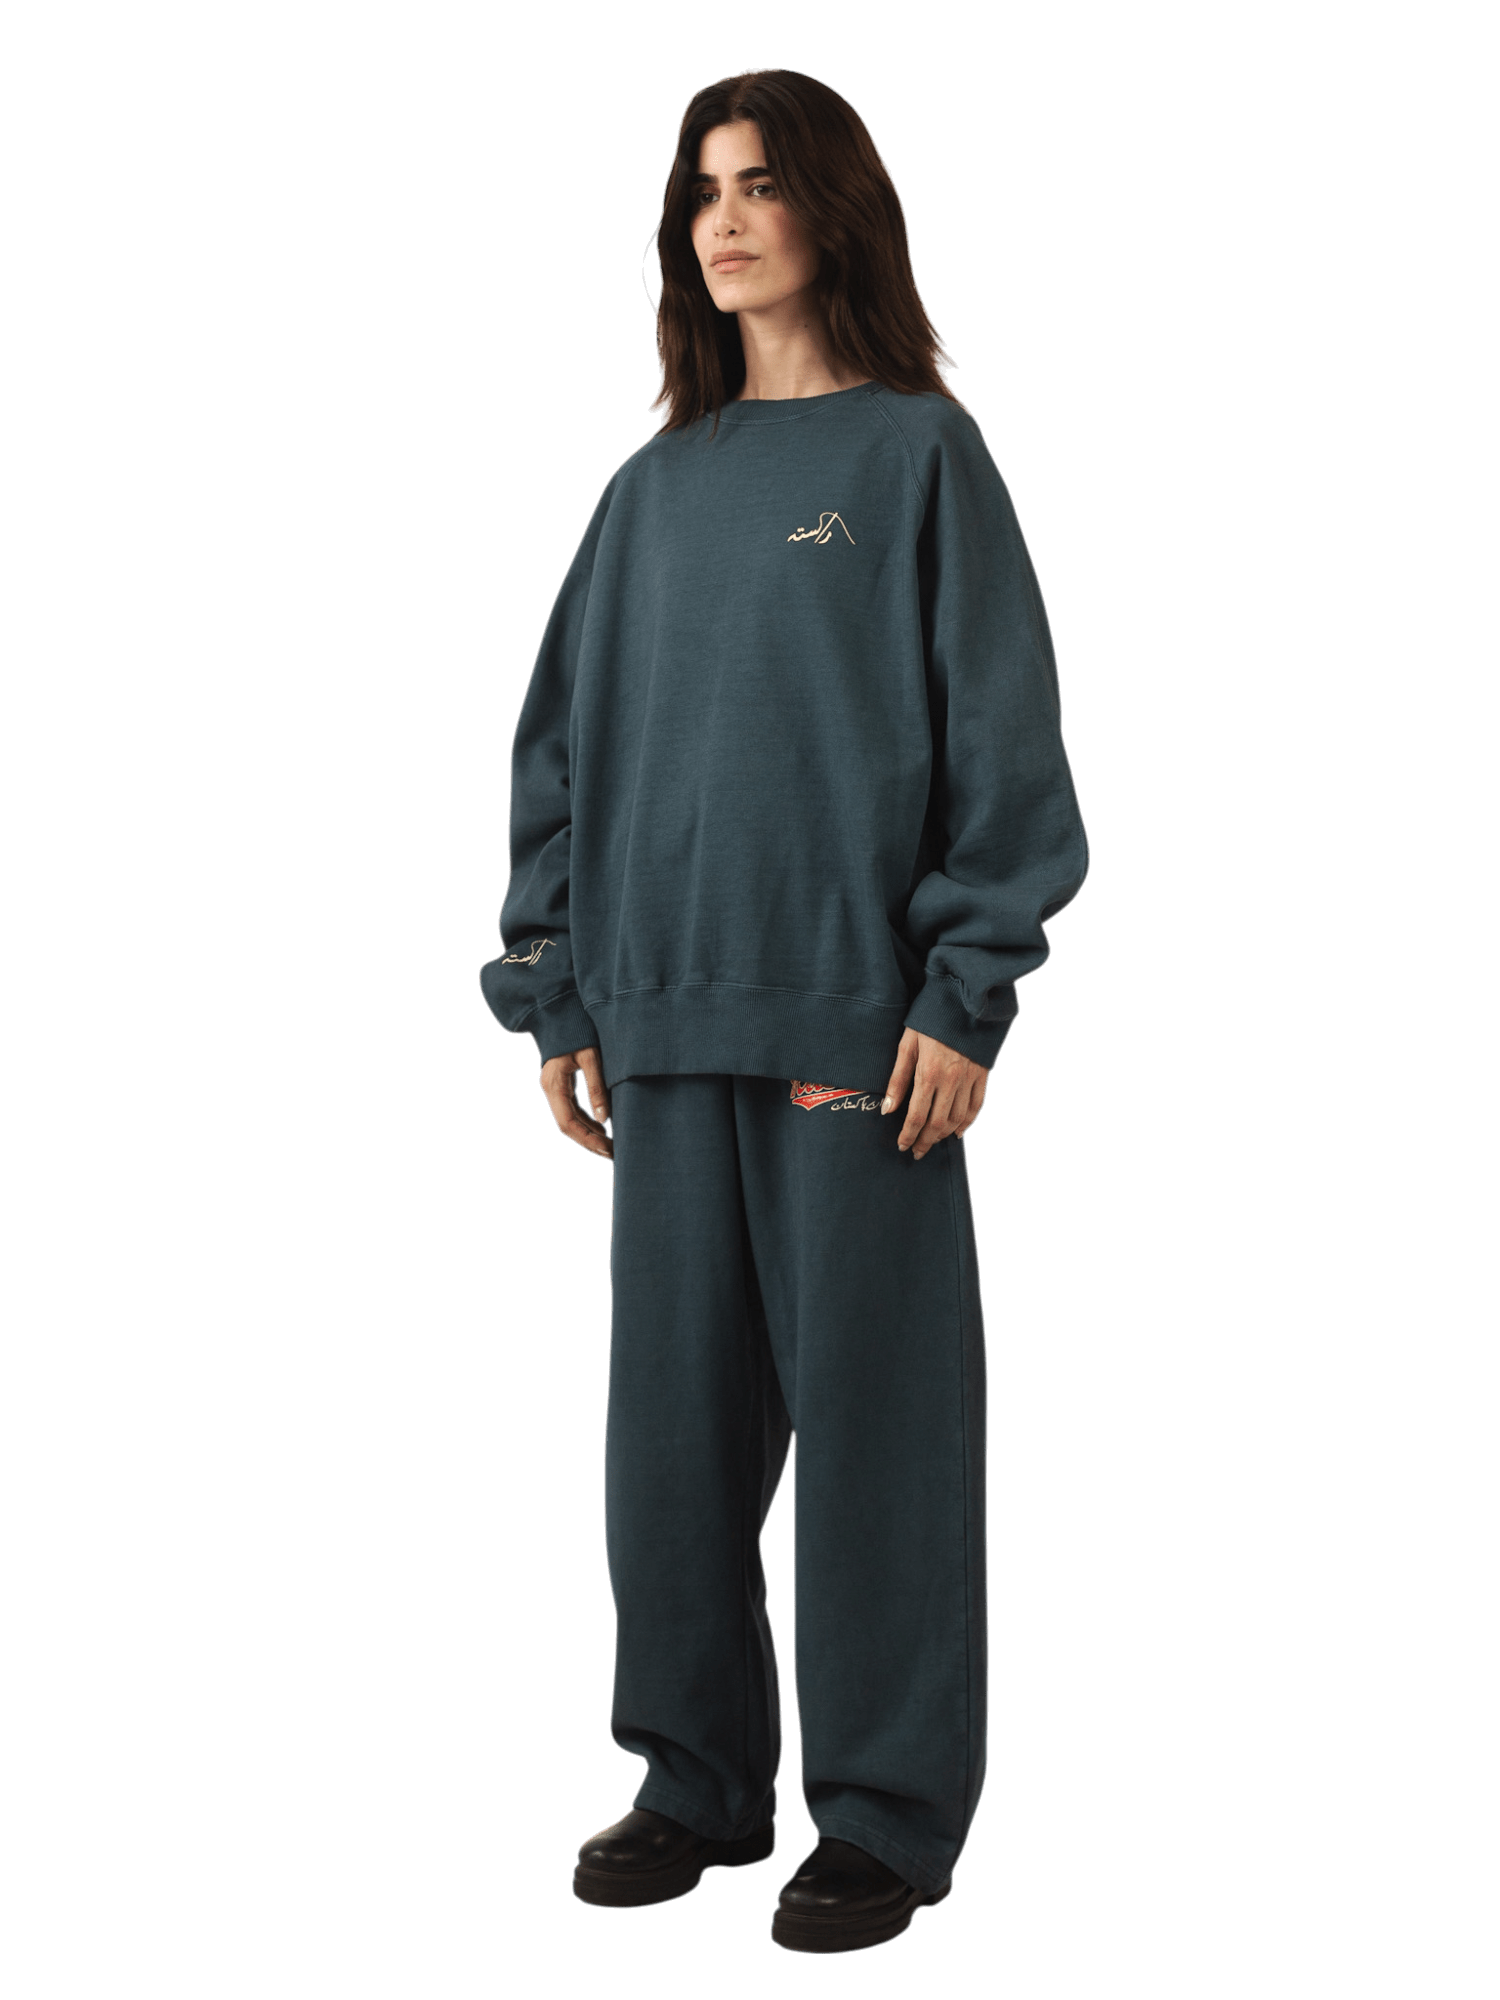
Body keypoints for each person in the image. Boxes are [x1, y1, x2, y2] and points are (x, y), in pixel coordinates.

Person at [479, 66, 1090, 1956]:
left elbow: (1006, 750)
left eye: (761, 184)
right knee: (667, 1441)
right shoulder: (646, 492)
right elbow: (556, 757)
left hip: (858, 1037)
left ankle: (887, 1814)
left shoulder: (922, 460)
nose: (725, 220)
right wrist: (553, 983)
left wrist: (966, 997)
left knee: (881, 1442)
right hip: (658, 1030)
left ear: (834, 210)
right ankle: (693, 1780)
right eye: (703, 191)